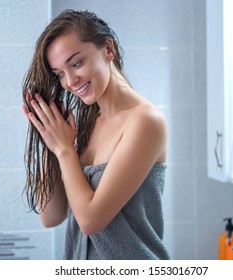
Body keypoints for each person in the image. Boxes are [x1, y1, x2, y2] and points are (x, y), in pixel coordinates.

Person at [22, 9, 170, 260]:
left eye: (77, 63)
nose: (69, 81)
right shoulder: (85, 125)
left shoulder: (145, 121)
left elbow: (91, 221)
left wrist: (65, 150)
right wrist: (49, 137)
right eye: (59, 74)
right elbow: (51, 216)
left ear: (108, 50)